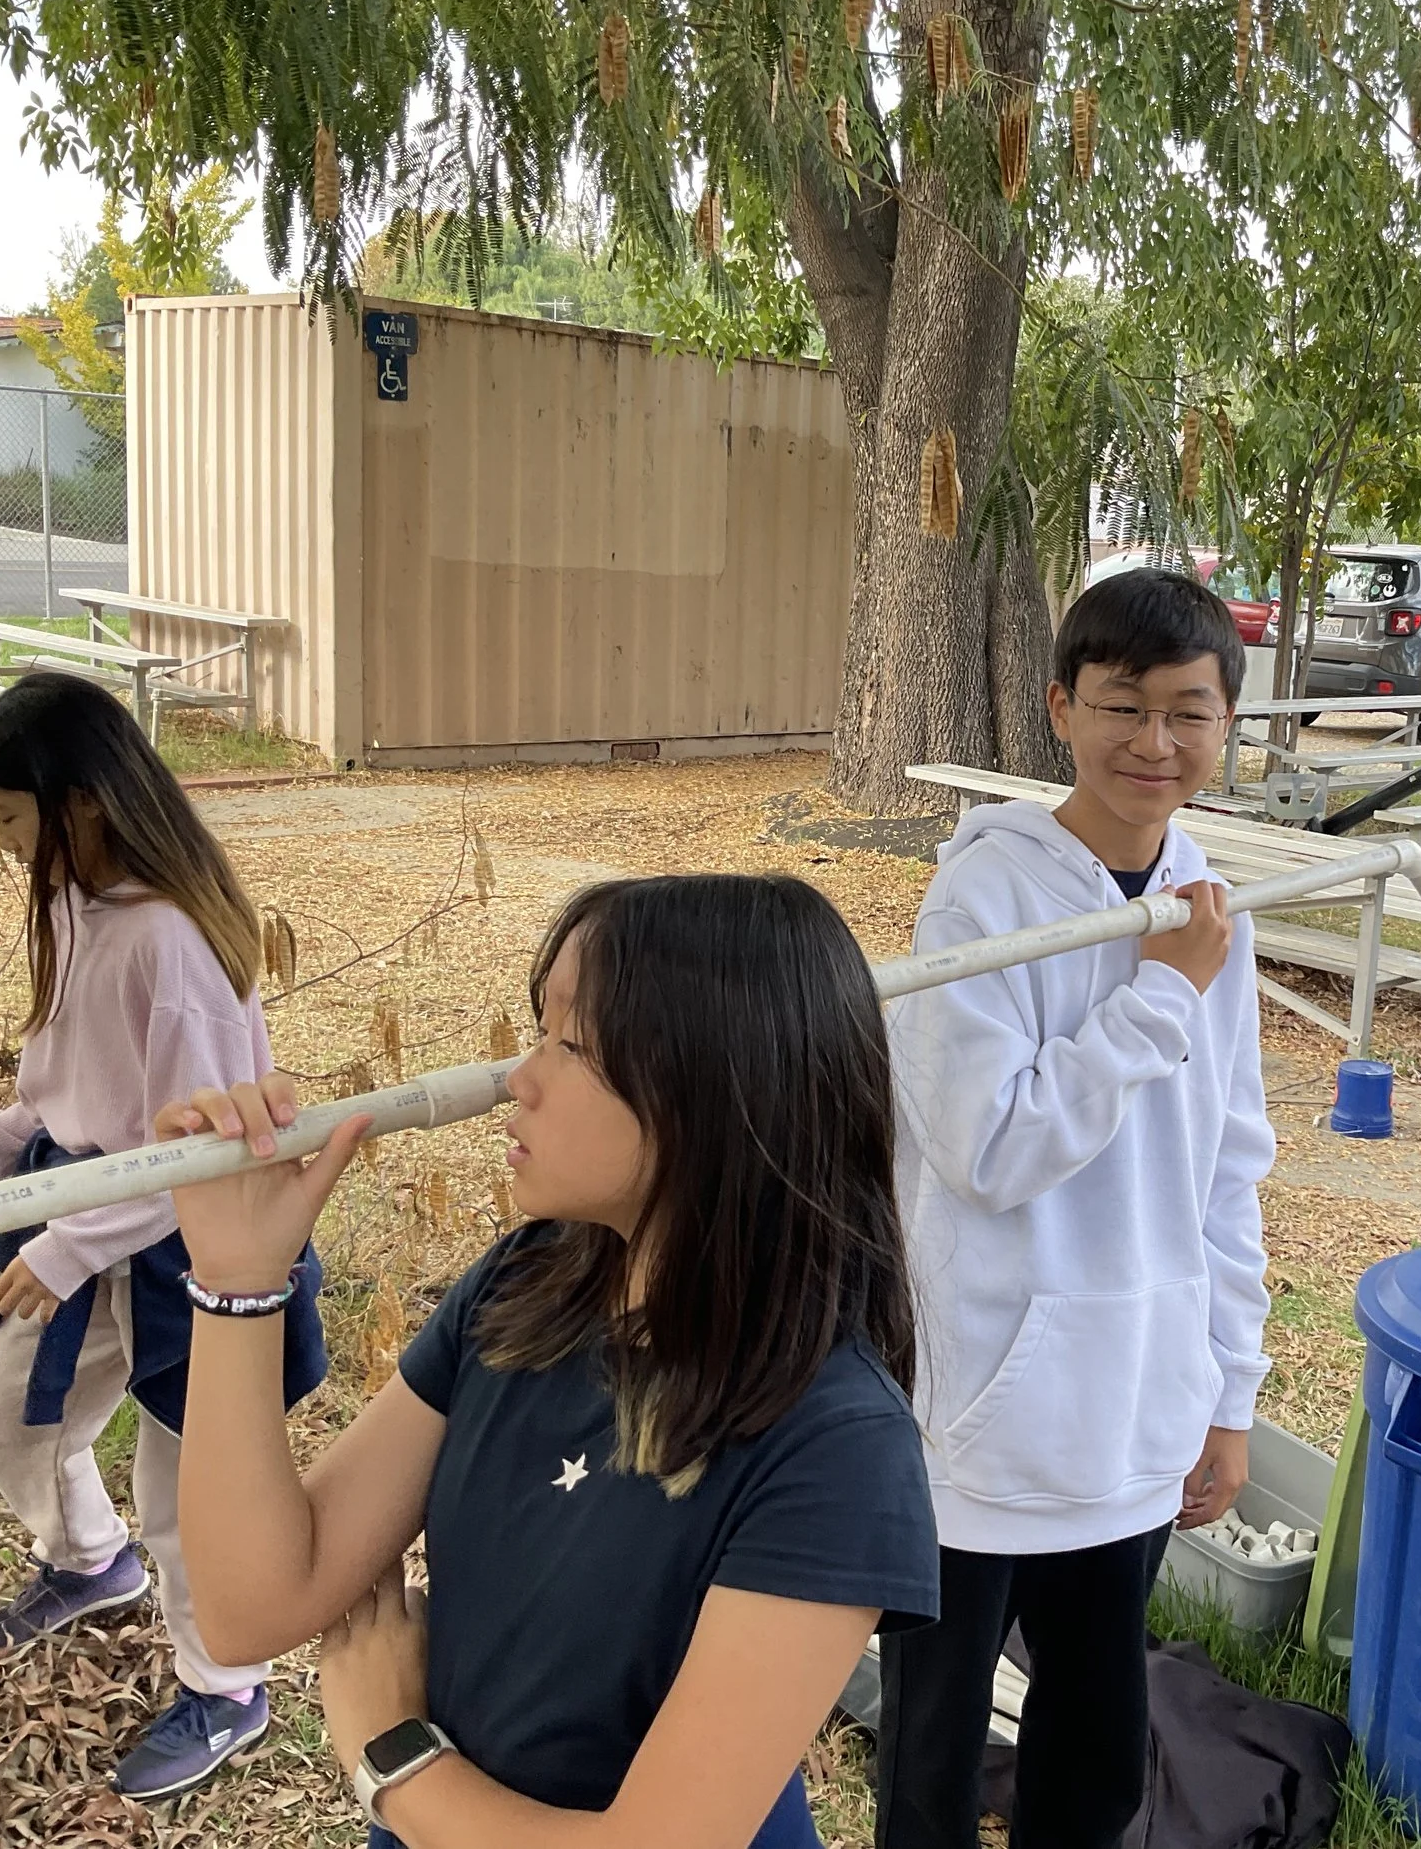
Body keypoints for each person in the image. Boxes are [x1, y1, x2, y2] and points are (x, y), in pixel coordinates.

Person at [155, 875, 938, 1848]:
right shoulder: (529, 1287)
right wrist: (238, 1283)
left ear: (716, 1085)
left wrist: (390, 1758)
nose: (520, 1076)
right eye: (541, 1028)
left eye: (573, 1044)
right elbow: (249, 1607)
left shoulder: (836, 1445)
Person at [877, 568, 1272, 1849]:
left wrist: (1228, 1389)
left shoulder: (1212, 909)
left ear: (1227, 723)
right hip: (987, 1410)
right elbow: (988, 1149)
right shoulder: (982, 899)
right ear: (1061, 707)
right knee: (931, 1749)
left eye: (1188, 713)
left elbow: (1226, 1161)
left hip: (1135, 1409)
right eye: (1121, 707)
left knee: (1095, 1748)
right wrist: (1157, 997)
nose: (1154, 744)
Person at [0, 672, 306, 1801]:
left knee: (185, 1495)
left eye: (10, 818)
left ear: (83, 803)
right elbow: (62, 1098)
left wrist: (60, 1253)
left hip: (192, 1257)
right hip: (88, 1218)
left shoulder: (175, 948)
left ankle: (229, 1687)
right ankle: (88, 1563)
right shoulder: (77, 910)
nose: (4, 843)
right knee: (6, 1415)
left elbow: (196, 1164)